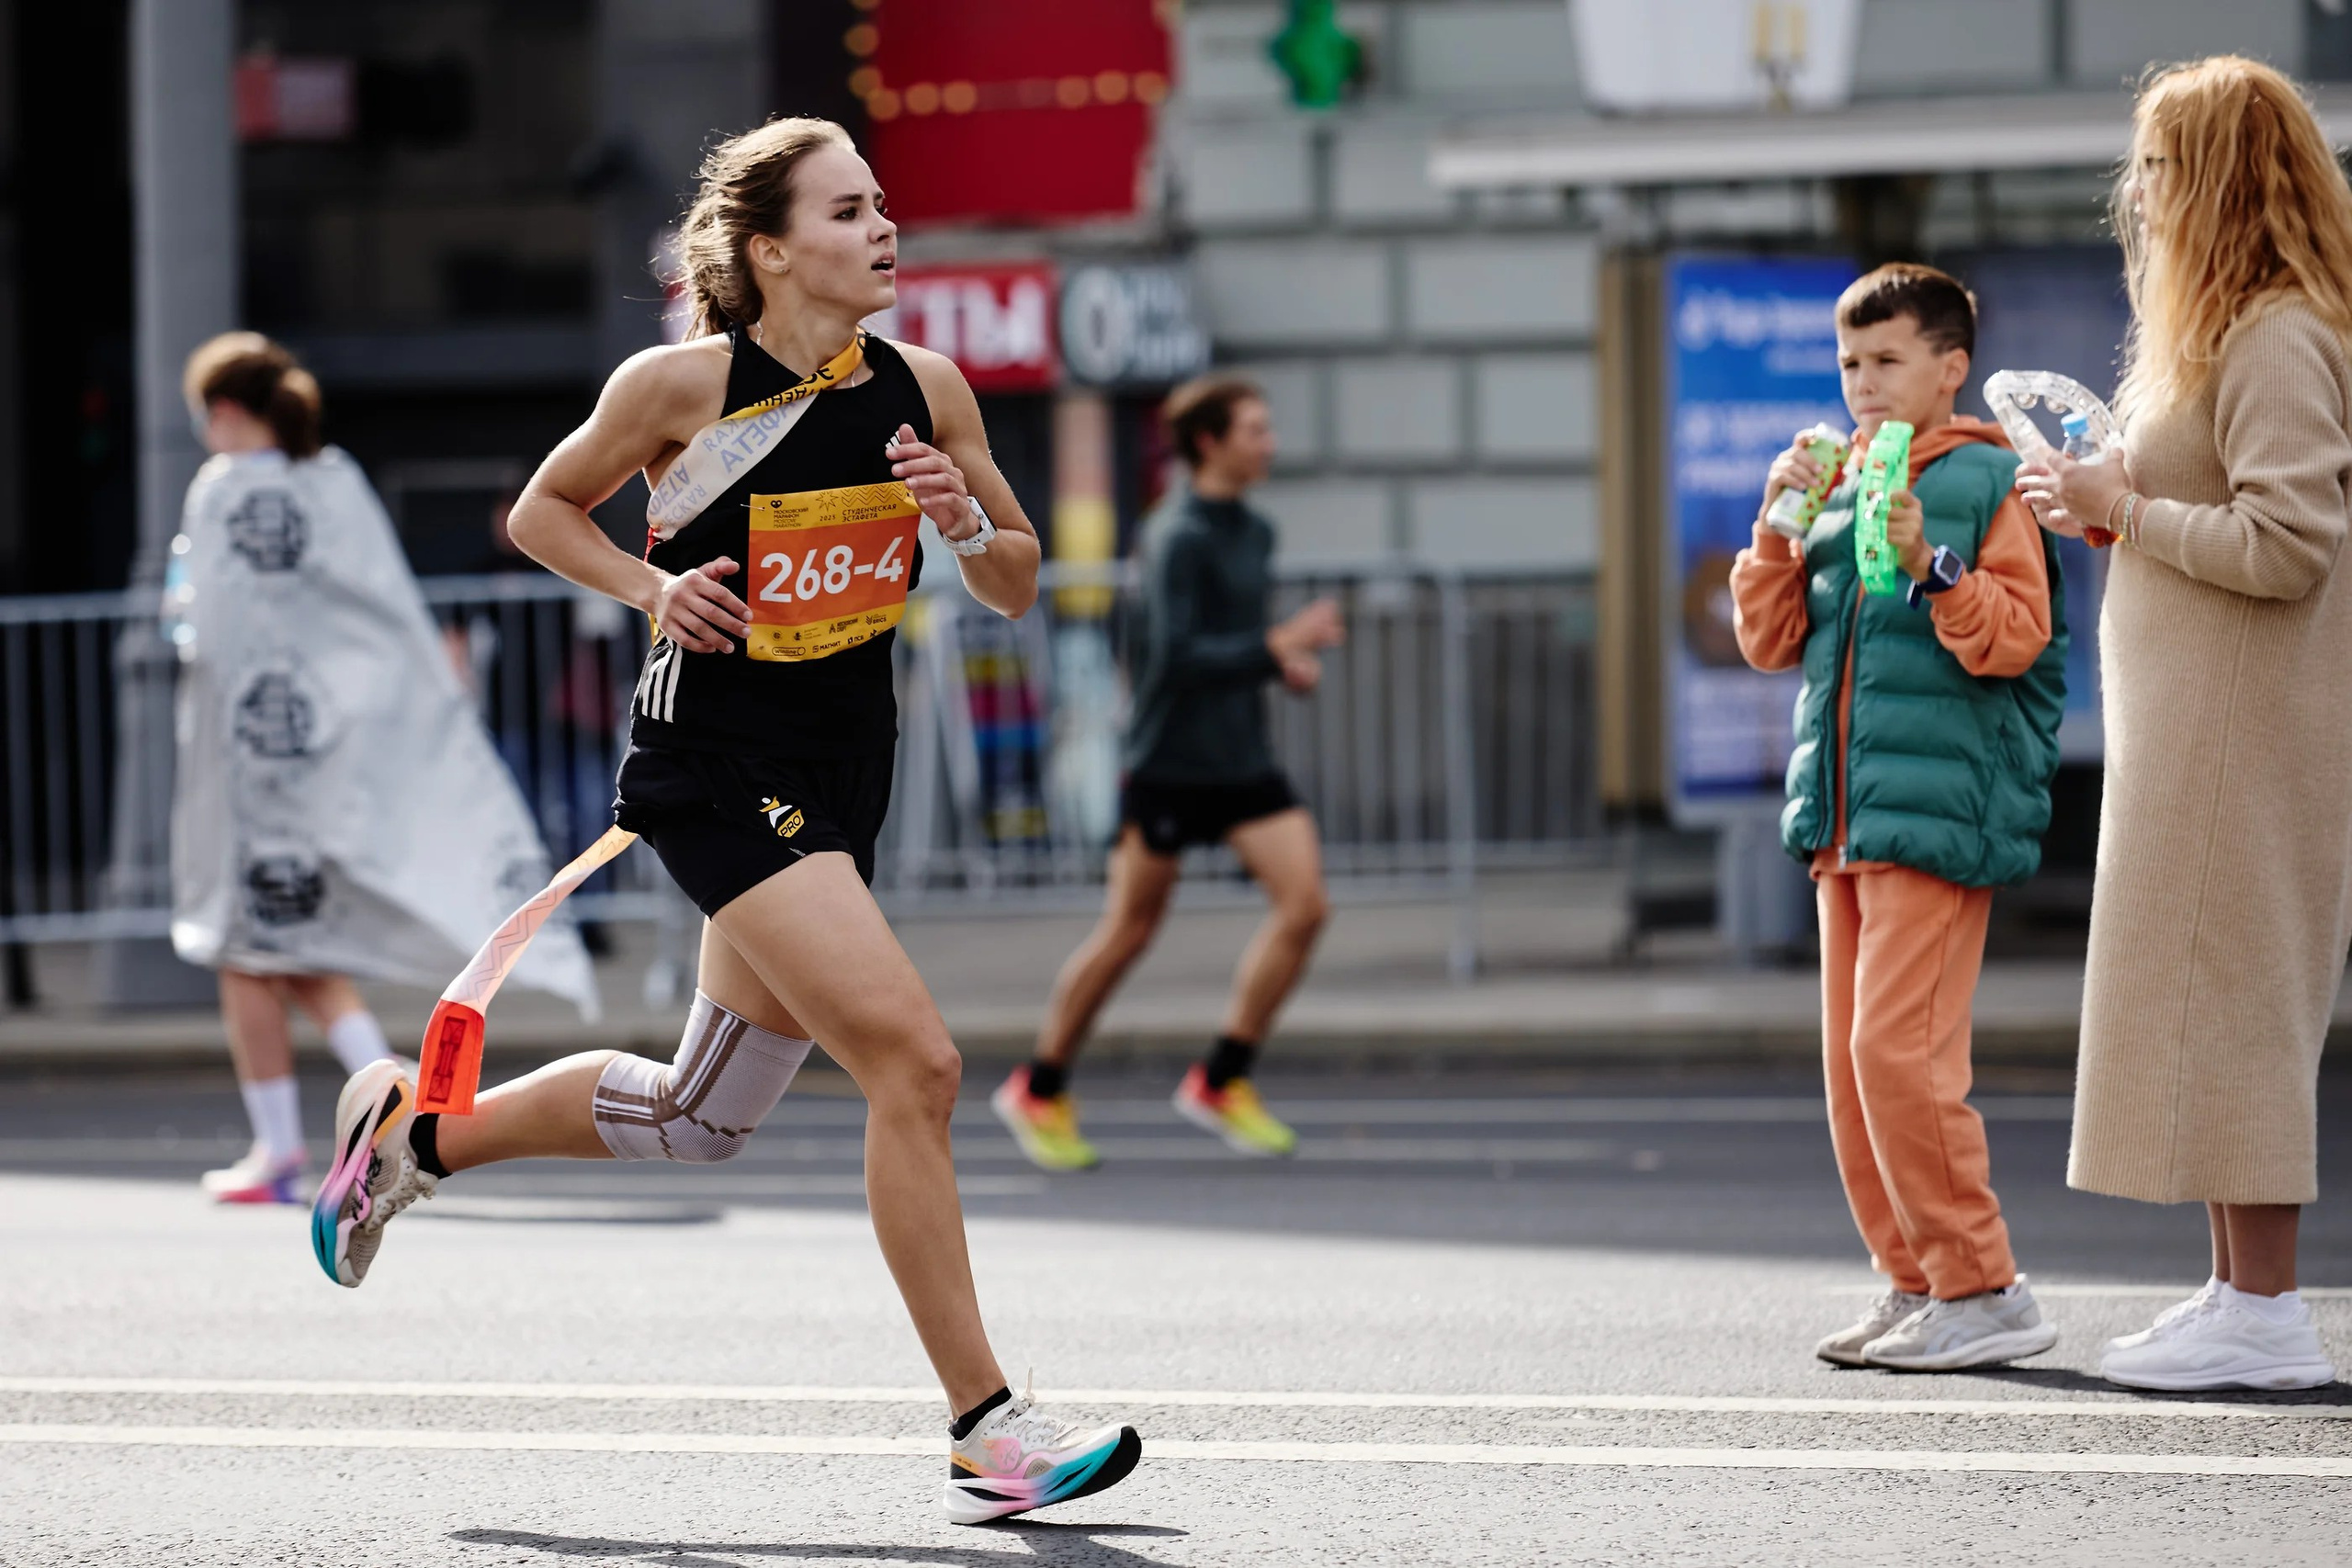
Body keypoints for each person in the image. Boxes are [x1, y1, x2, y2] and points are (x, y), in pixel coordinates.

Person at [305, 118, 1141, 1523]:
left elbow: (1013, 578)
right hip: (712, 761)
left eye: (885, 206)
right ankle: (986, 1425)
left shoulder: (926, 386)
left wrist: (964, 522)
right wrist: (651, 589)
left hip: (841, 761)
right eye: (849, 209)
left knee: (701, 1117)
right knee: (916, 1062)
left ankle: (409, 1139)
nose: (885, 228)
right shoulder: (679, 386)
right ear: (769, 248)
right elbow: (540, 513)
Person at [2018, 58, 2352, 1393]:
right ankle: (2234, 1289)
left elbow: (2293, 542)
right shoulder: (2237, 330)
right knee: (2206, 1003)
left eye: (2160, 164)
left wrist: (2125, 508)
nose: (2139, 191)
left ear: (2218, 175)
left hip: (2240, 729)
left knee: (2240, 1000)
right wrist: (2112, 489)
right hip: (2202, 720)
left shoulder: (2278, 333)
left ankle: (2267, 1308)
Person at [1732, 264, 2069, 1371]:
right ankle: (1915, 1279)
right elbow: (1772, 642)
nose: (1862, 384)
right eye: (1848, 364)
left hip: (1933, 813)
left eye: (1886, 362)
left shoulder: (1986, 477)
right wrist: (1778, 530)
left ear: (1948, 366)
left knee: (1899, 1056)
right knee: (1850, 1065)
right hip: (1843, 818)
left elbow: (2014, 636)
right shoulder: (1834, 483)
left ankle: (1983, 1287)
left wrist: (1933, 562)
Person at [171, 335, 590, 1202]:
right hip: (333, 761)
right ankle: (387, 1094)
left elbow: (209, 631)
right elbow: (381, 619)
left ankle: (284, 1145)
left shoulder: (223, 493)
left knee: (245, 949)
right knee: (297, 951)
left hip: (255, 773)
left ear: (221, 412)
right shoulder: (337, 481)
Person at [991, 377, 1343, 1171]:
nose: (1272, 443)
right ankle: (1039, 1086)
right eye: (1256, 429)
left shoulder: (1254, 530)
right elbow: (1172, 656)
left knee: (1307, 905)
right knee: (1129, 932)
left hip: (1242, 757)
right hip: (1171, 762)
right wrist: (1277, 644)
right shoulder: (1175, 534)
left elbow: (1234, 640)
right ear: (1210, 442)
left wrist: (1276, 661)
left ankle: (1224, 1078)